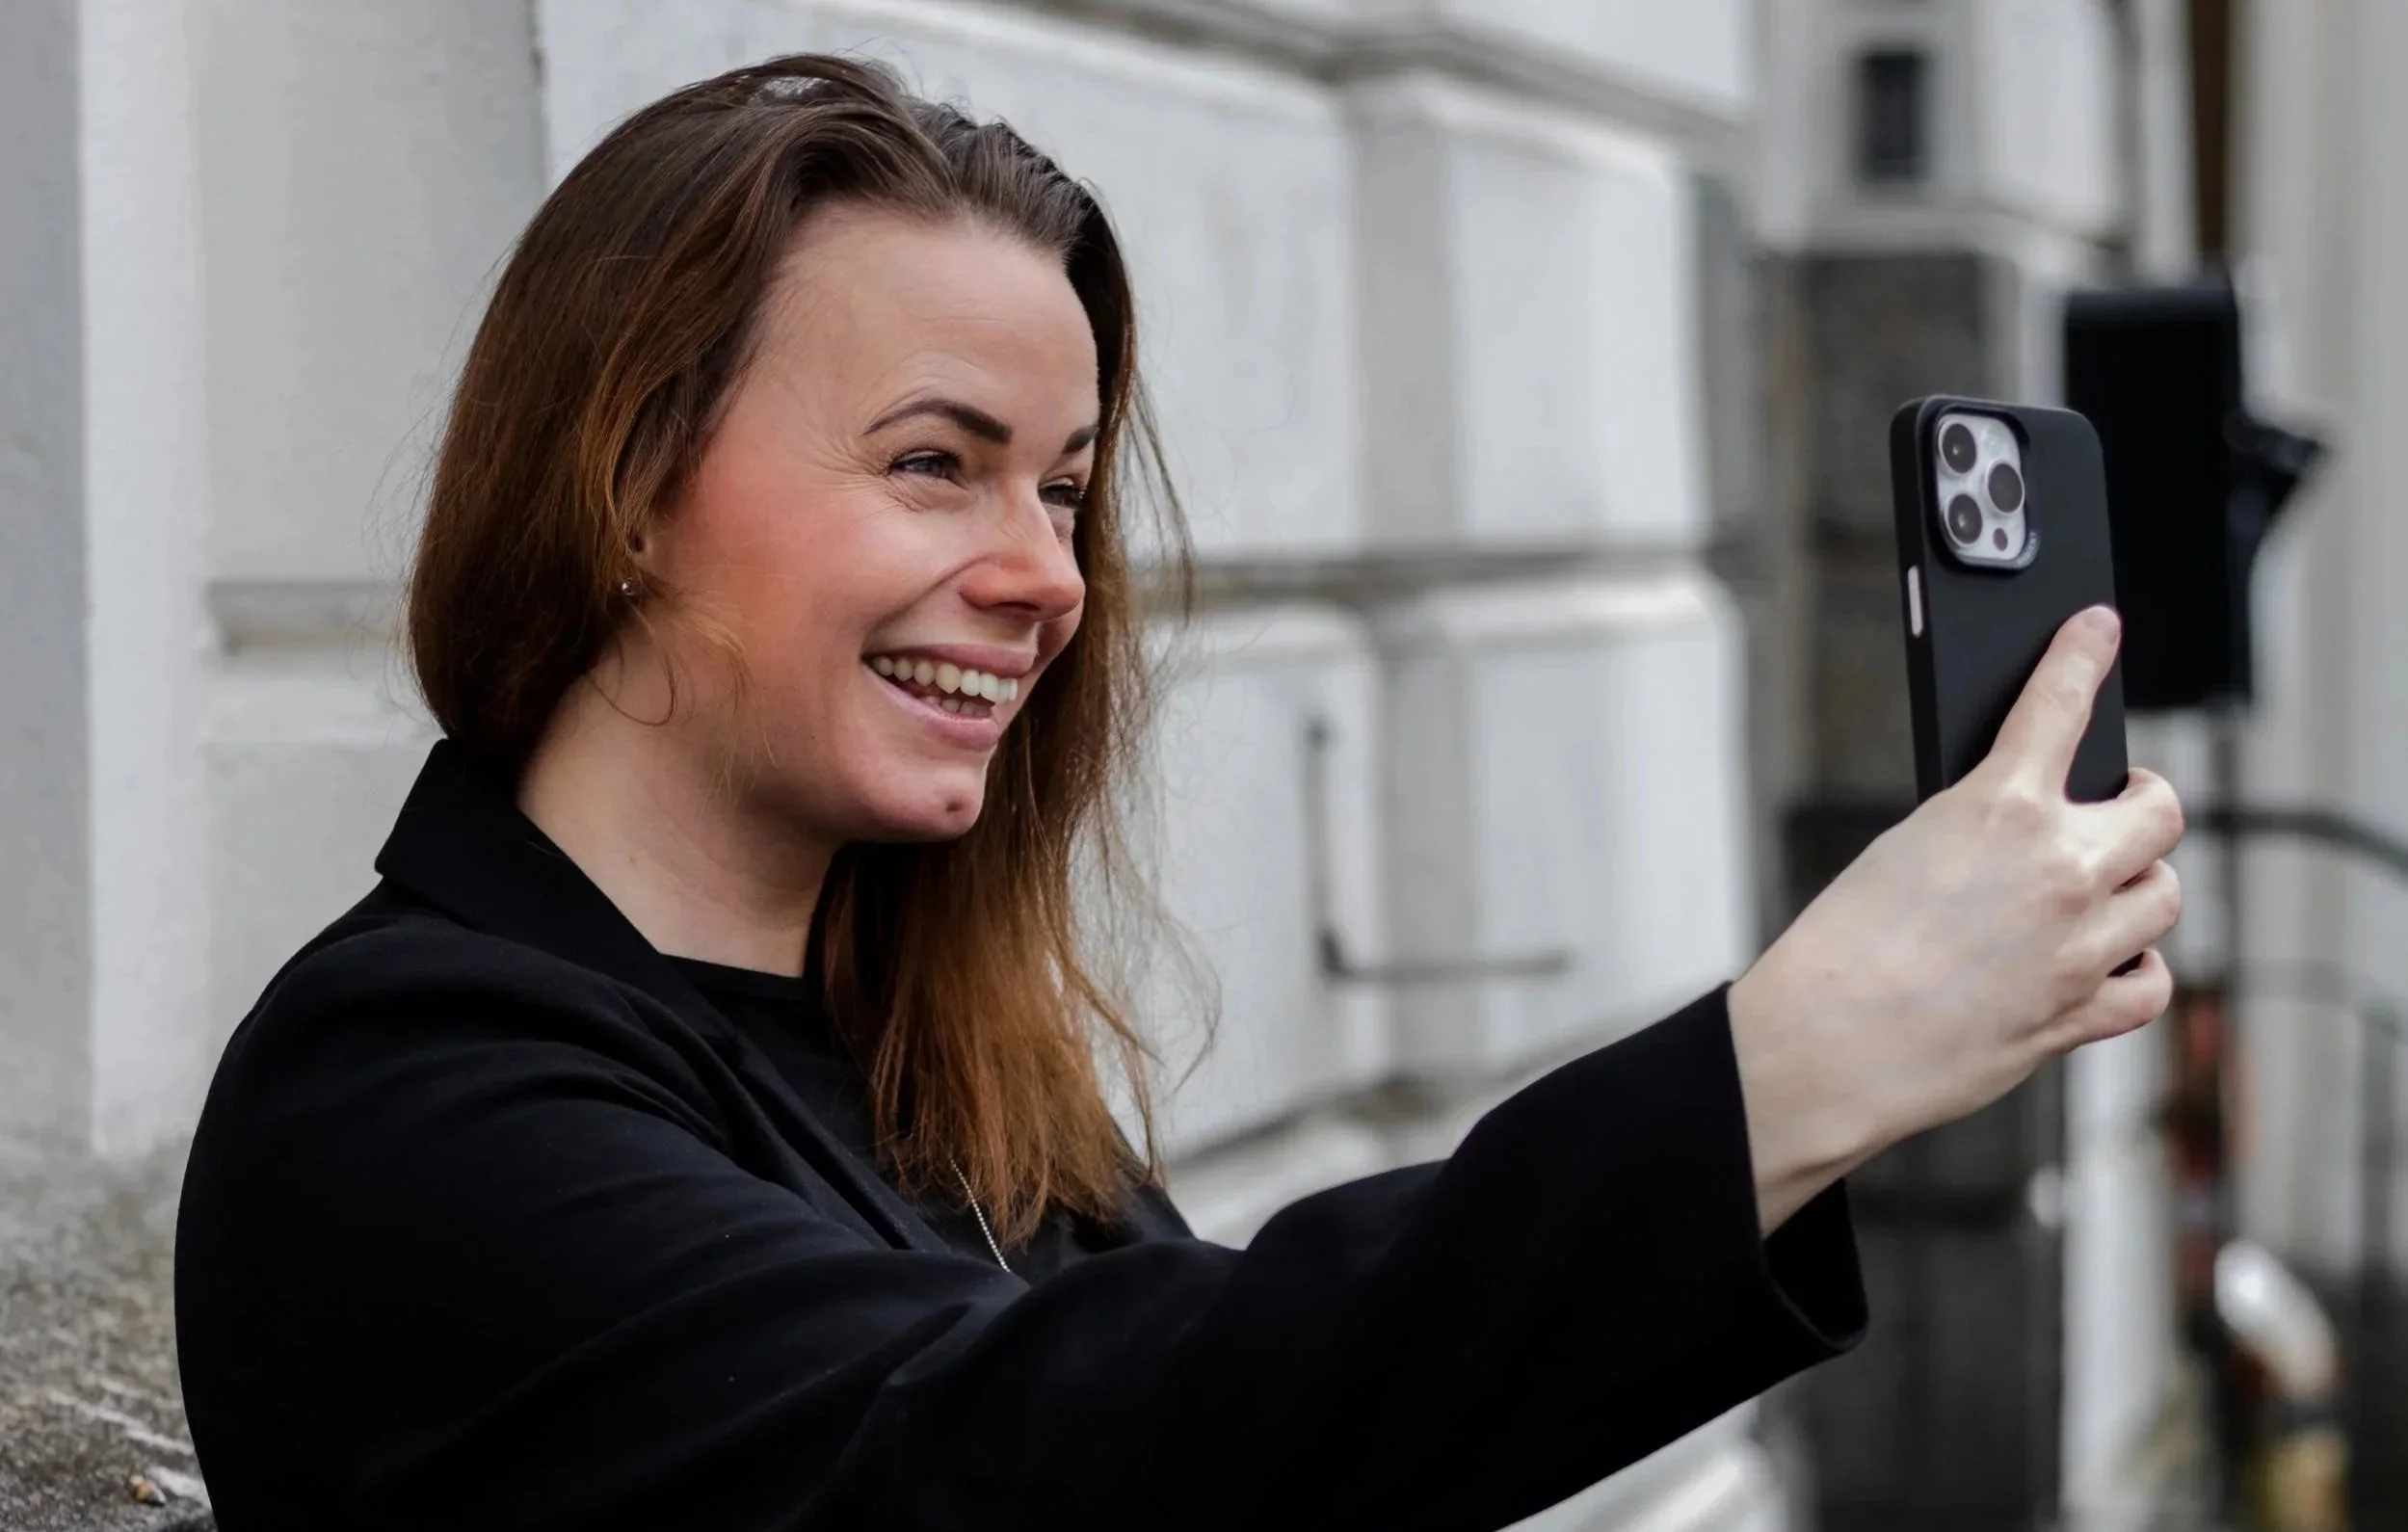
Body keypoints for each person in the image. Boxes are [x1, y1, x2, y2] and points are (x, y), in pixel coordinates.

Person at [172, 54, 2185, 1531]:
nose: (1045, 574)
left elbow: (1275, 1423)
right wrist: (1793, 1063)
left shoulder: (922, 1064)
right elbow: (1042, 1460)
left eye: (1060, 487)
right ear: (625, 483)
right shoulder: (409, 1100)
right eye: (934, 463)